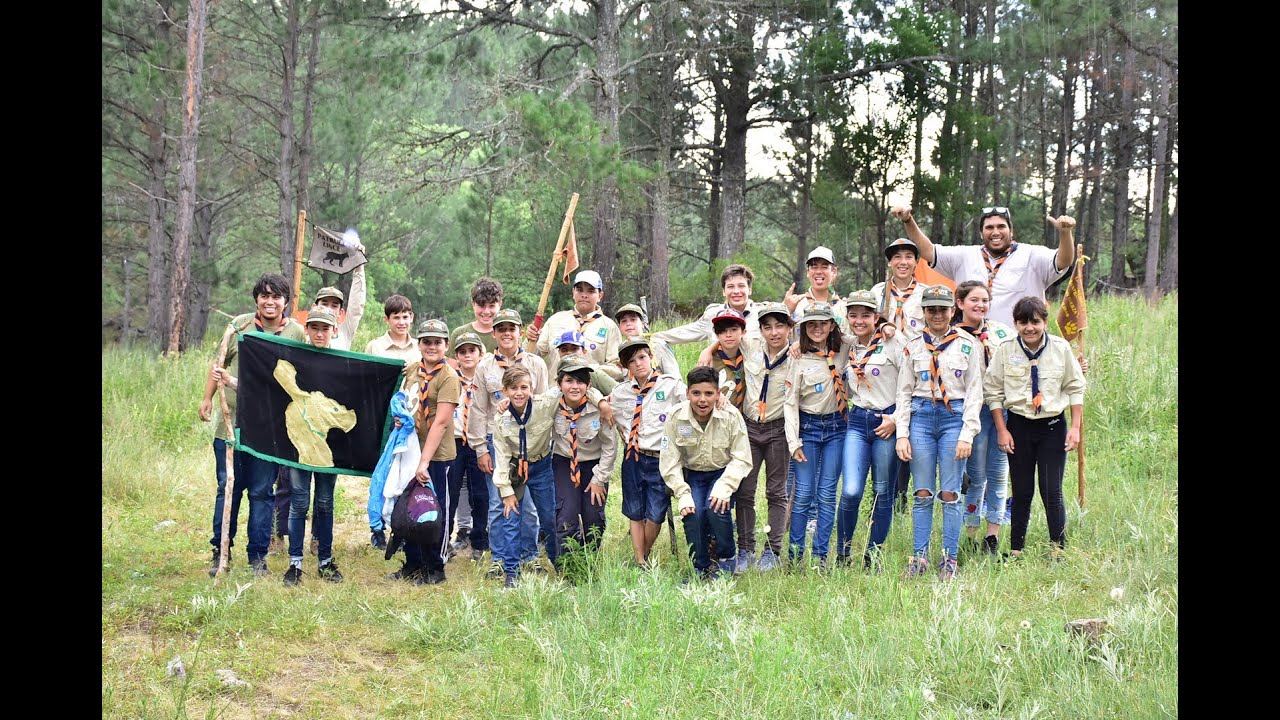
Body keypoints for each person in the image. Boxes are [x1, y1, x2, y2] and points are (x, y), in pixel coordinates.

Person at [198, 272, 305, 577]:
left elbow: (301, 376)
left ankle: (257, 556)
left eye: (276, 297)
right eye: (264, 296)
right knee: (228, 488)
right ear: (257, 299)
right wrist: (206, 398)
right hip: (232, 426)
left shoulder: (295, 333)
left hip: (270, 429)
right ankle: (221, 552)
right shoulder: (239, 325)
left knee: (262, 492)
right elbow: (218, 364)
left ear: (286, 301)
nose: (270, 302)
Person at [490, 362, 609, 587]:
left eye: (524, 387)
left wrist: (601, 402)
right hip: (516, 468)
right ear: (504, 391)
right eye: (513, 389)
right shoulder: (501, 418)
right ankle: (512, 572)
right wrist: (505, 489)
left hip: (542, 466)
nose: (519, 393)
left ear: (532, 388)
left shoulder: (545, 404)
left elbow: (579, 387)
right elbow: (502, 454)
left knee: (549, 519)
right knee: (511, 517)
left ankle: (560, 565)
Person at [984, 296, 1085, 558]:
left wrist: (1075, 428)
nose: (1030, 328)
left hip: (1052, 427)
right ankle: (1016, 548)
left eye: (1035, 322)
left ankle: (1057, 549)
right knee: (1022, 489)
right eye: (1023, 322)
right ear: (1015, 323)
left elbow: (1075, 387)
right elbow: (993, 391)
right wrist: (1001, 429)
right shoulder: (1006, 350)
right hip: (1018, 426)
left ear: (1045, 322)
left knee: (1051, 490)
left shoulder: (1060, 349)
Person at [894, 286, 983, 581]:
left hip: (953, 418)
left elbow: (974, 393)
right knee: (922, 493)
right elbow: (903, 392)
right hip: (921, 416)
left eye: (942, 309)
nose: (936, 315)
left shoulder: (968, 345)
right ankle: (918, 557)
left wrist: (967, 434)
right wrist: (902, 434)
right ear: (923, 312)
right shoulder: (912, 346)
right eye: (931, 309)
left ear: (952, 312)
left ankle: (949, 558)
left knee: (950, 493)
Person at [890, 205, 1076, 327]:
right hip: (971, 343)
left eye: (1001, 226)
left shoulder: (1032, 254)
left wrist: (1065, 234)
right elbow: (928, 251)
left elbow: (1064, 261)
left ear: (1011, 231)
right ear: (981, 233)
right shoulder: (964, 255)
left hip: (1019, 345)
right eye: (989, 227)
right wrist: (908, 220)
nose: (995, 232)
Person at [468, 308, 548, 577]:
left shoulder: (535, 364)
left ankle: (529, 555)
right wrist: (480, 447)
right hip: (497, 440)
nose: (506, 333)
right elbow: (478, 409)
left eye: (511, 328)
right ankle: (500, 558)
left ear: (520, 332)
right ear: (494, 333)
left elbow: (544, 404)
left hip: (529, 442)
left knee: (528, 504)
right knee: (497, 500)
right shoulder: (484, 367)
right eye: (501, 329)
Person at [659, 366, 753, 582]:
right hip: (693, 475)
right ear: (687, 393)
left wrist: (725, 486)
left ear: (718, 394)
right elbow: (669, 459)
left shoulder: (730, 416)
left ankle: (727, 559)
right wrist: (682, 492)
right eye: (696, 393)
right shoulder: (676, 417)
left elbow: (742, 456)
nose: (702, 400)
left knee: (716, 507)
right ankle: (699, 567)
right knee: (692, 513)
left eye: (709, 394)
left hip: (722, 473)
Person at [836, 291, 907, 571]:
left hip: (886, 421)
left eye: (866, 314)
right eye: (853, 314)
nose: (859, 320)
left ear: (876, 317)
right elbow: (811, 337)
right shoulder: (848, 344)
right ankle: (843, 553)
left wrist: (897, 419)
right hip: (857, 420)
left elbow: (908, 385)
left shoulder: (892, 342)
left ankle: (872, 554)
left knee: (882, 491)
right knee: (851, 490)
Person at [387, 319, 460, 585]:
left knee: (434, 511)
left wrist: (424, 463)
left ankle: (435, 567)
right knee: (409, 508)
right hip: (411, 451)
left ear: (446, 346)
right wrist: (400, 419)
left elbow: (440, 422)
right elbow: (405, 404)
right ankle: (413, 563)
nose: (431, 347)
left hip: (437, 457)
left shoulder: (449, 377)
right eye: (426, 342)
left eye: (437, 342)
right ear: (419, 344)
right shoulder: (413, 372)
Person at [280, 307, 346, 585]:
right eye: (315, 328)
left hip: (328, 446)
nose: (320, 333)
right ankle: (295, 563)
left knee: (325, 502)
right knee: (299, 501)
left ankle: (325, 560)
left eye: (325, 328)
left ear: (334, 331)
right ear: (307, 330)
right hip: (298, 445)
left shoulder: (343, 363)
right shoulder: (296, 357)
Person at [783, 302, 850, 572]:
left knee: (827, 494)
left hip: (837, 429)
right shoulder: (797, 359)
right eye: (811, 324)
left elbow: (863, 333)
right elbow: (790, 402)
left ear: (832, 325)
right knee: (803, 494)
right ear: (804, 329)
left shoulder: (844, 349)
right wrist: (793, 441)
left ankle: (820, 556)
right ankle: (795, 556)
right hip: (808, 429)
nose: (817, 328)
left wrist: (887, 326)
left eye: (823, 323)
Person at [951, 281, 1016, 555]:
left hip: (1001, 411)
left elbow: (1029, 352)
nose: (980, 305)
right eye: (974, 300)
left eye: (984, 300)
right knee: (976, 476)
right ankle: (970, 532)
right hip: (971, 413)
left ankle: (993, 536)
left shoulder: (1002, 333)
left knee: (999, 473)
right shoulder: (952, 336)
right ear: (960, 303)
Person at [609, 337, 686, 566]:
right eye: (632, 362)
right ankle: (640, 560)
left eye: (642, 357)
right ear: (626, 367)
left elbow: (690, 405)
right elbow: (603, 404)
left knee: (655, 513)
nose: (638, 364)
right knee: (634, 510)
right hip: (633, 456)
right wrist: (601, 403)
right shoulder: (621, 392)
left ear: (651, 358)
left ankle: (646, 550)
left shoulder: (670, 385)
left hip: (660, 457)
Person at [550, 357, 618, 565]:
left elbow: (610, 446)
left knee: (593, 516)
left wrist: (599, 479)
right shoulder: (551, 403)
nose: (574, 386)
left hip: (593, 465)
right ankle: (569, 565)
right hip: (564, 462)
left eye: (580, 382)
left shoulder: (598, 408)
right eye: (569, 381)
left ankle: (589, 561)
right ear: (560, 383)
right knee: (566, 514)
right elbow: (529, 404)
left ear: (588, 386)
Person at [527, 270, 623, 380]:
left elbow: (617, 369)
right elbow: (533, 357)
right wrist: (531, 339)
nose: (584, 295)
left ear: (600, 295)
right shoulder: (555, 320)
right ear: (573, 292)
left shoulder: (609, 327)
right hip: (556, 391)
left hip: (592, 393)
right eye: (579, 290)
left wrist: (586, 368)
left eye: (591, 291)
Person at [448, 332, 491, 562]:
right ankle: (446, 539)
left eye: (471, 351)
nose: (467, 355)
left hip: (478, 441)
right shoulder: (450, 378)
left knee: (480, 494)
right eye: (462, 352)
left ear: (481, 354)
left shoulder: (485, 379)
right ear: (456, 355)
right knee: (451, 492)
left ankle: (480, 541)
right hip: (454, 441)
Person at [652, 264, 761, 345]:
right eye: (730, 287)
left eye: (741, 286)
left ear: (750, 290)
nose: (736, 291)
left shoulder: (763, 314)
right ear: (723, 291)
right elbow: (683, 333)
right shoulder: (713, 315)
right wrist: (650, 337)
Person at [310, 237, 366, 351]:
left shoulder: (345, 331)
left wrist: (359, 265)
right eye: (324, 304)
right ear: (314, 307)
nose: (329, 309)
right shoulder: (306, 332)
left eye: (334, 305)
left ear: (341, 312)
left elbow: (356, 305)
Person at [871, 238, 927, 341]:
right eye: (897, 257)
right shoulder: (877, 292)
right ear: (889, 262)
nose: (903, 262)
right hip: (885, 351)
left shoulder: (925, 293)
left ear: (916, 262)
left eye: (909, 257)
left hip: (916, 353)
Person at [784, 246, 848, 332]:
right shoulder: (794, 305)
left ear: (834, 272)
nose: (818, 271)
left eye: (824, 267)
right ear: (807, 272)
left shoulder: (844, 308)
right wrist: (786, 312)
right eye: (814, 267)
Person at [613, 303, 679, 376]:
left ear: (642, 324)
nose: (628, 324)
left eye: (633, 320)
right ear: (619, 327)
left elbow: (674, 376)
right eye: (624, 321)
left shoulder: (656, 345)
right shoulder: (622, 349)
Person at [448, 277, 503, 357]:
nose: (486, 312)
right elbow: (451, 368)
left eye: (491, 306)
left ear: (500, 304)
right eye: (481, 306)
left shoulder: (507, 334)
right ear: (473, 304)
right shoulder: (459, 333)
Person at [552, 329, 619, 396]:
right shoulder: (557, 373)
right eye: (564, 350)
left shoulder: (593, 373)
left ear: (584, 351)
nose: (569, 353)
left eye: (574, 349)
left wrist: (602, 402)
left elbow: (621, 394)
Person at [363, 294, 420, 366]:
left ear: (411, 317)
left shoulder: (420, 347)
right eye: (396, 318)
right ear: (387, 319)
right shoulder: (375, 347)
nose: (401, 323)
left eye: (405, 317)